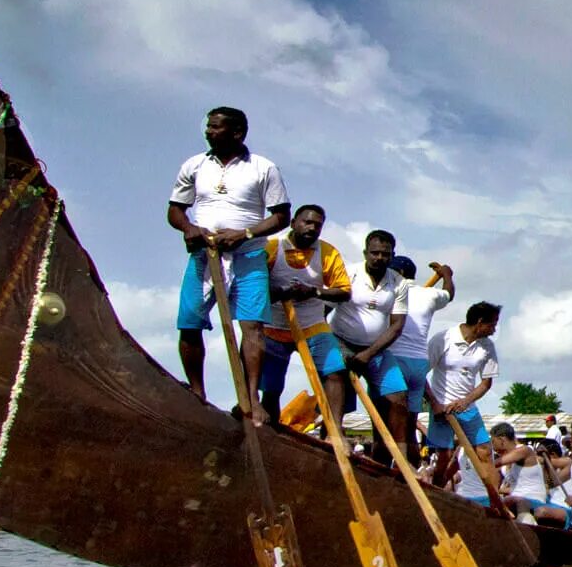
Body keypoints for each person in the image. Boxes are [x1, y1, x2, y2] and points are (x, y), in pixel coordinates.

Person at [169, 107, 291, 419]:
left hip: (248, 256)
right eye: (208, 126)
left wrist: (245, 233)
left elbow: (281, 216)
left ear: (237, 133)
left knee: (252, 327)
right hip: (204, 255)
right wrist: (189, 228)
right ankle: (197, 391)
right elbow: (175, 210)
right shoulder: (195, 165)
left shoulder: (263, 168)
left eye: (215, 127)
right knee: (189, 322)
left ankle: (250, 399)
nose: (208, 132)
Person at [254, 206, 353, 427]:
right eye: (307, 222)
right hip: (275, 327)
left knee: (335, 372)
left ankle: (336, 429)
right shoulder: (272, 247)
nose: (312, 228)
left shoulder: (327, 252)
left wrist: (313, 292)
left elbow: (344, 292)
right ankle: (271, 432)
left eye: (317, 225)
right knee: (271, 389)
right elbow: (255, 288)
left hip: (313, 325)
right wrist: (280, 292)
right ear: (293, 223)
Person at [325, 229, 408, 460]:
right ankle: (333, 435)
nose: (379, 258)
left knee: (398, 398)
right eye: (375, 253)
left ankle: (399, 459)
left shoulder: (398, 283)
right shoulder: (348, 273)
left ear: (392, 255)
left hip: (377, 348)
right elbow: (323, 310)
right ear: (365, 253)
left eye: (385, 254)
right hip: (341, 340)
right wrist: (327, 345)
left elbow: (396, 326)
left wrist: (369, 354)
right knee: (336, 379)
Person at [383, 257, 454, 465]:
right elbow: (449, 293)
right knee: (410, 427)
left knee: (388, 426)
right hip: (418, 365)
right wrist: (447, 274)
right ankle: (414, 472)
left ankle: (389, 469)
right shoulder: (429, 295)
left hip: (393, 360)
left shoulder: (389, 292)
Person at [425, 301, 503, 489]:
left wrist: (465, 401)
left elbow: (486, 383)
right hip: (441, 407)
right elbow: (421, 374)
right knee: (444, 456)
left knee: (484, 451)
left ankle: (495, 502)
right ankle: (436, 493)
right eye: (491, 325)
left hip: (467, 408)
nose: (493, 330)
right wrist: (434, 404)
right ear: (479, 322)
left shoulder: (487, 346)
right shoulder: (443, 339)